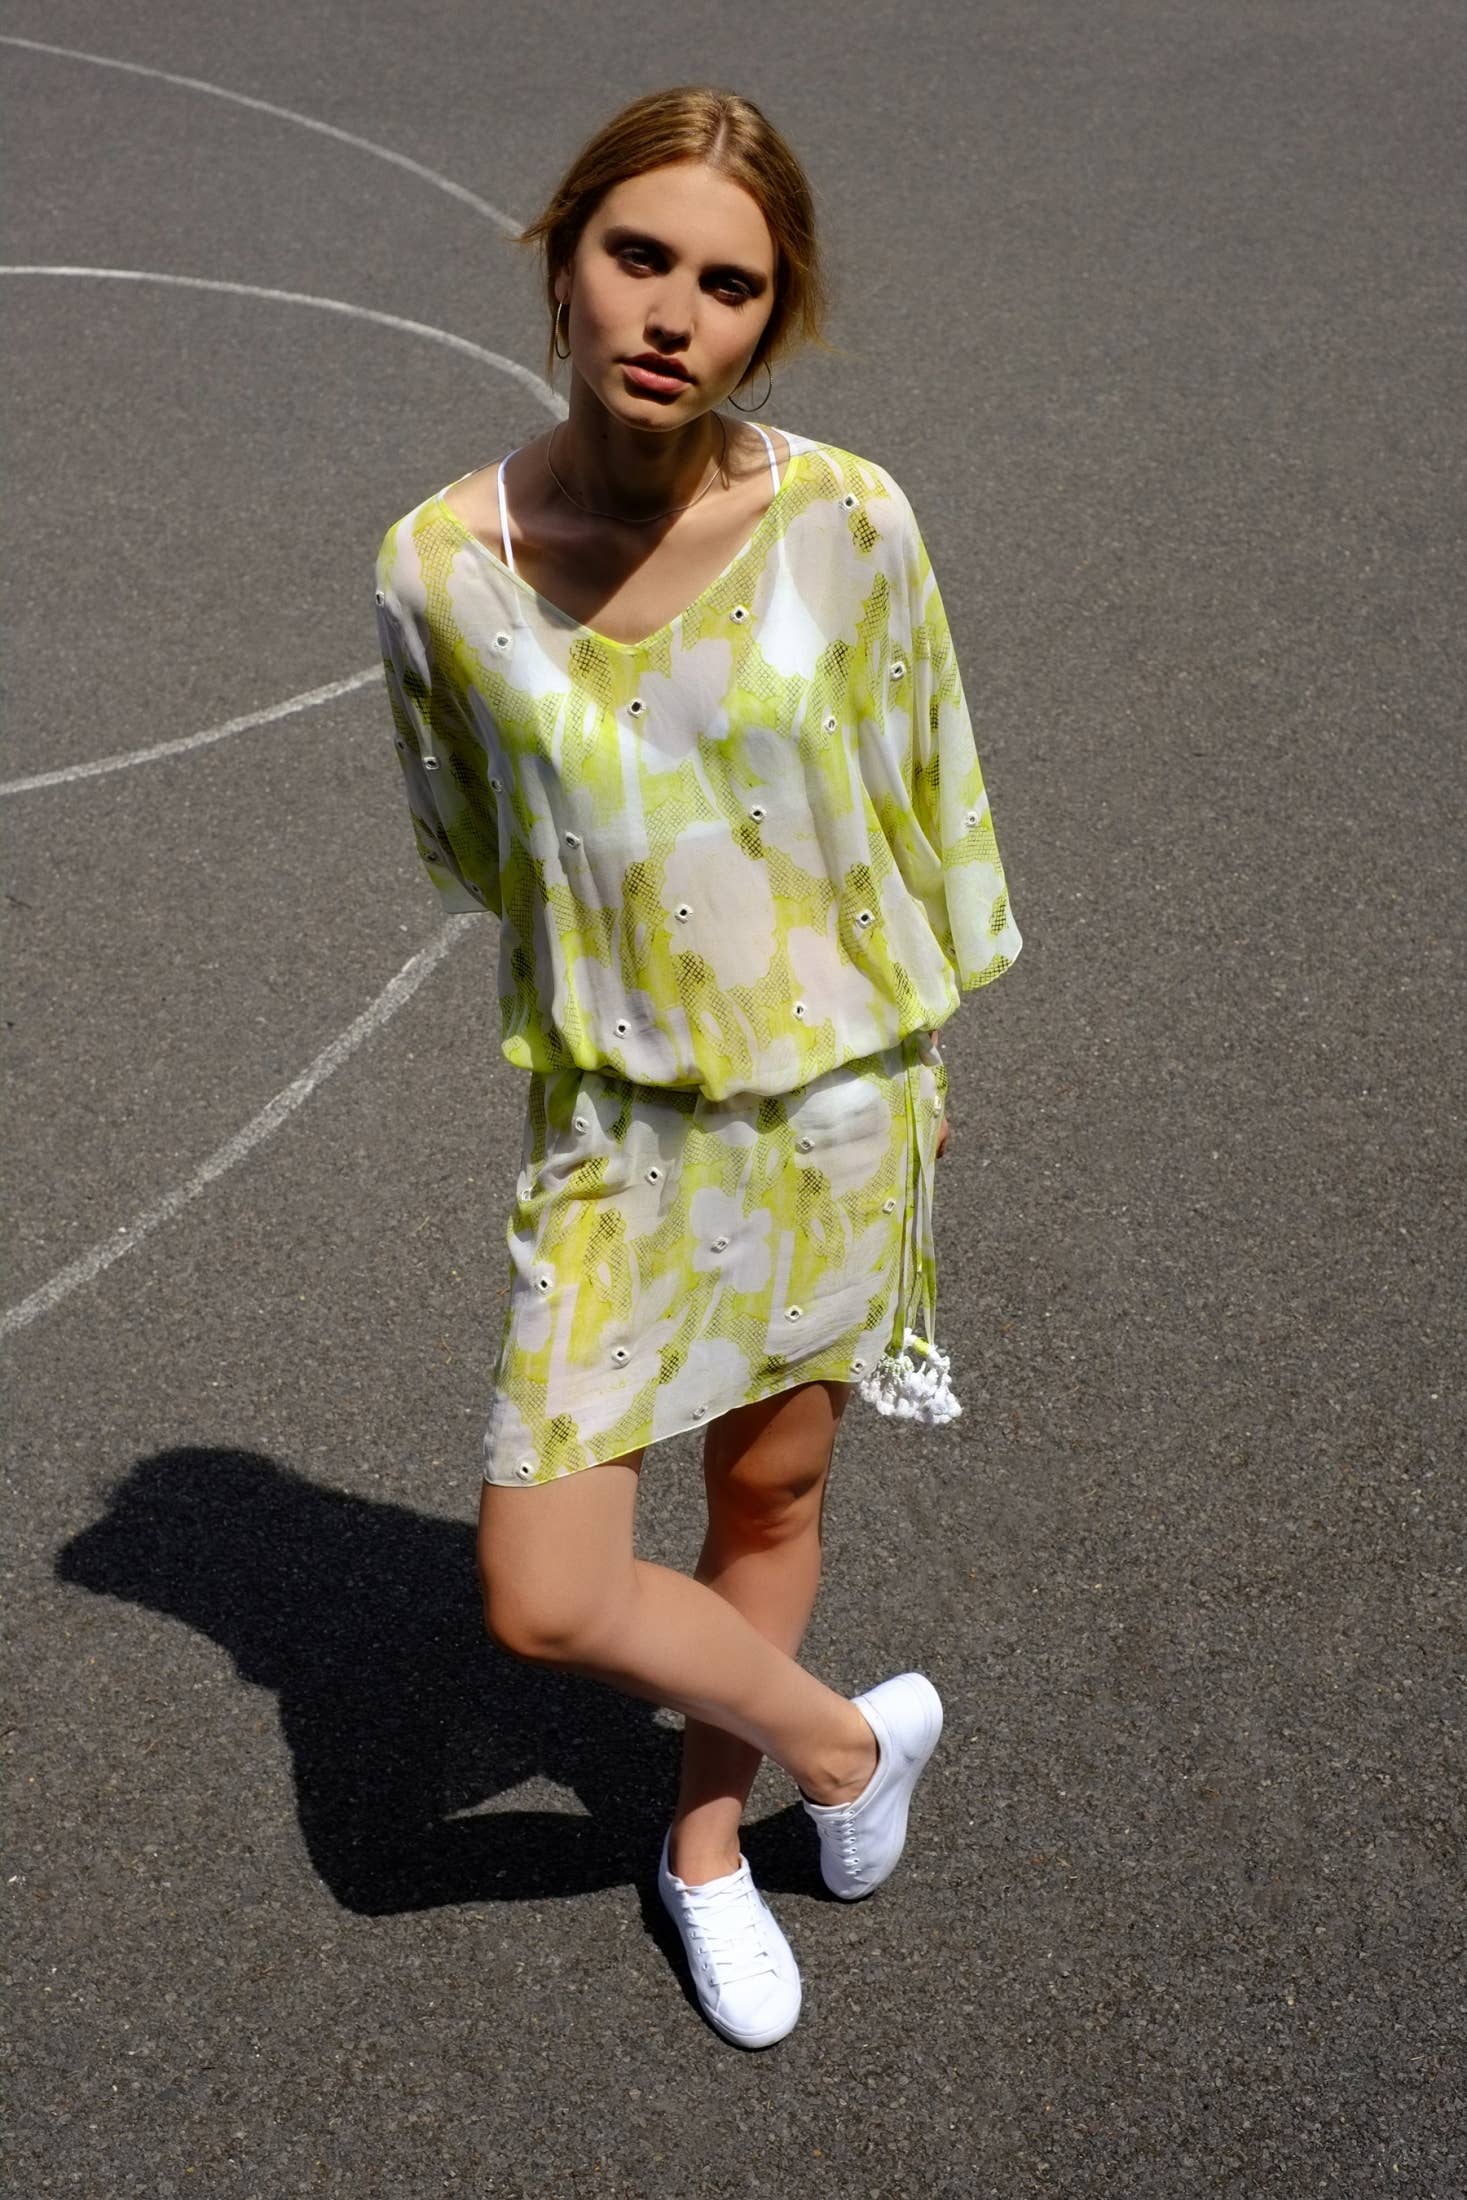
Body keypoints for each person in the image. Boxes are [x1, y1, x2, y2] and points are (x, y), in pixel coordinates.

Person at [373, 85, 1022, 2050]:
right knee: (544, 1589)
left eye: (726, 285)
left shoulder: (847, 520)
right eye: (636, 255)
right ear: (562, 259)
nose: (670, 312)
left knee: (772, 1491)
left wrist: (915, 1071)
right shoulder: (438, 570)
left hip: (834, 1108)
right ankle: (848, 1748)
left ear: (771, 317)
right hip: (614, 1127)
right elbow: (472, 847)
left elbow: (929, 795)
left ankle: (708, 1846)